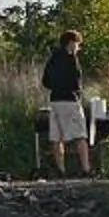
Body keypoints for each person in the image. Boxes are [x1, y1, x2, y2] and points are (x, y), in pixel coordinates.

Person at [40, 29, 93, 176]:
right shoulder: (71, 59)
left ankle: (61, 170)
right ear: (71, 43)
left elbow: (45, 81)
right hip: (70, 101)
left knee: (57, 137)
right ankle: (86, 169)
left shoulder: (53, 58)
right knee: (80, 136)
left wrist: (56, 87)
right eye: (77, 44)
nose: (78, 48)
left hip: (55, 101)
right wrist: (77, 91)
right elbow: (76, 81)